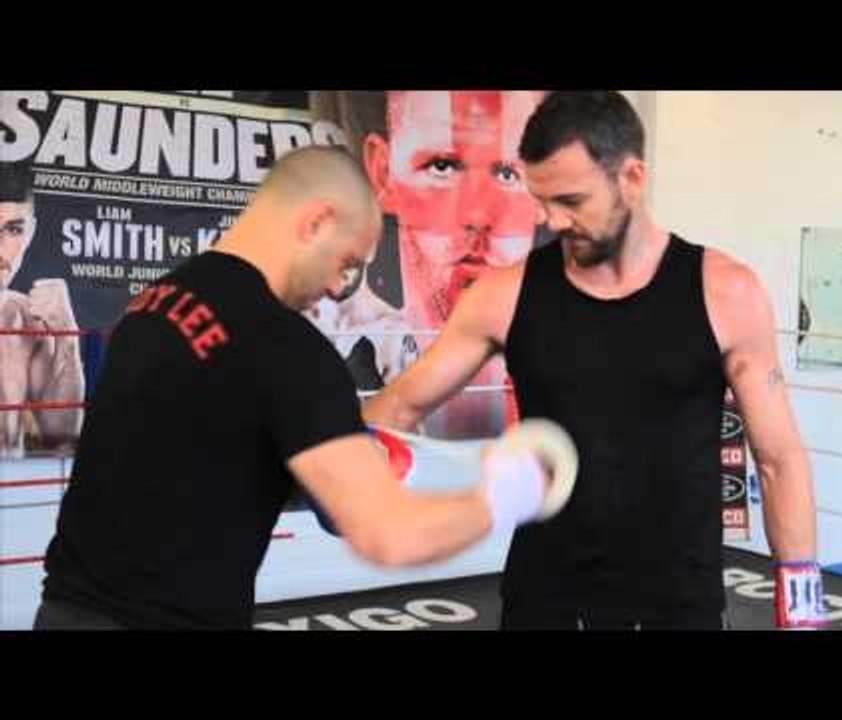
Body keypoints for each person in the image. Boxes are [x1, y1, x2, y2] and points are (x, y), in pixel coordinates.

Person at [33, 146, 556, 630]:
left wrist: (322, 460)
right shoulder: (286, 349)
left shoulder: (151, 307)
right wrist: (503, 498)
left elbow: (191, 467)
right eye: (349, 263)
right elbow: (390, 535)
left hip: (63, 610)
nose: (337, 286)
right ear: (316, 222)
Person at [364, 92, 828, 630]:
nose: (553, 220)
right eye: (541, 201)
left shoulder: (726, 293)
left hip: (679, 605)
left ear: (631, 178)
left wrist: (804, 611)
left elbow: (779, 460)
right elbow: (399, 405)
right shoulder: (504, 295)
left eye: (571, 200)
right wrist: (332, 471)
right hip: (546, 601)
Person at [309, 91, 547, 438]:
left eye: (509, 173)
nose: (478, 215)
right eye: (443, 166)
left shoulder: (577, 351)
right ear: (384, 171)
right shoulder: (341, 349)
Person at [0, 161, 84, 457]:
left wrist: (67, 337)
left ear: (31, 232)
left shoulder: (24, 317)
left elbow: (63, 440)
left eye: (13, 229)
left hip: (11, 498)